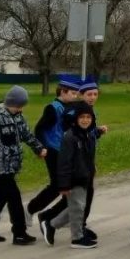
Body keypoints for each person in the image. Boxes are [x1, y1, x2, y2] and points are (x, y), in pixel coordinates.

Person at [0, 86, 46, 245]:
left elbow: (26, 134)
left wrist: (39, 148)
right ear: (10, 103)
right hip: (0, 166)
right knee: (14, 198)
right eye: (18, 106)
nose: (20, 109)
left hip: (12, 165)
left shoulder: (18, 116)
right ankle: (19, 233)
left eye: (22, 106)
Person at [39, 76, 109, 241]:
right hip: (75, 163)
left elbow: (87, 136)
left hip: (85, 162)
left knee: (81, 198)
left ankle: (61, 221)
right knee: (79, 198)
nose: (92, 97)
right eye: (89, 94)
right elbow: (73, 136)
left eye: (95, 94)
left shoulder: (89, 112)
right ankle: (56, 222)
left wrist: (97, 132)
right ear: (81, 95)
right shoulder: (74, 112)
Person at [41, 101, 98, 249]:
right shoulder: (70, 137)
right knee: (77, 207)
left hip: (84, 177)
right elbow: (64, 162)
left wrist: (91, 169)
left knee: (77, 207)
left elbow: (88, 157)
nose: (85, 120)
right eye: (82, 117)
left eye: (88, 117)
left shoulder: (88, 135)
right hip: (73, 178)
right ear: (76, 119)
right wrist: (64, 184)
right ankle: (77, 238)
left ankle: (51, 224)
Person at [27, 74, 81, 217]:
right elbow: (39, 129)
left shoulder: (72, 107)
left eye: (76, 93)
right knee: (57, 185)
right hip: (53, 150)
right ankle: (30, 210)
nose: (75, 96)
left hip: (66, 150)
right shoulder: (52, 108)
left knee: (70, 183)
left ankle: (59, 217)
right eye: (73, 93)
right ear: (63, 92)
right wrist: (42, 147)